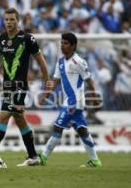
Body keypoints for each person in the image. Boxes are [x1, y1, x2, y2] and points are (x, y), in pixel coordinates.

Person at [0, 8, 49, 167]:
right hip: (7, 86)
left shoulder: (27, 39)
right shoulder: (2, 39)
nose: (9, 22)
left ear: (17, 20)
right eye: (6, 19)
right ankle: (33, 156)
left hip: (20, 86)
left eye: (12, 19)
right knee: (20, 120)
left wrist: (47, 84)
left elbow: (41, 62)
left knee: (3, 118)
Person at [38, 32, 102, 167]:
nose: (63, 45)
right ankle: (95, 160)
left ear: (73, 46)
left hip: (75, 101)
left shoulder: (79, 61)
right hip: (69, 101)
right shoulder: (60, 62)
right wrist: (46, 95)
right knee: (82, 130)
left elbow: (89, 81)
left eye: (66, 43)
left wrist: (95, 99)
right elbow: (55, 81)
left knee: (57, 127)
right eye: (62, 43)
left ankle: (43, 157)